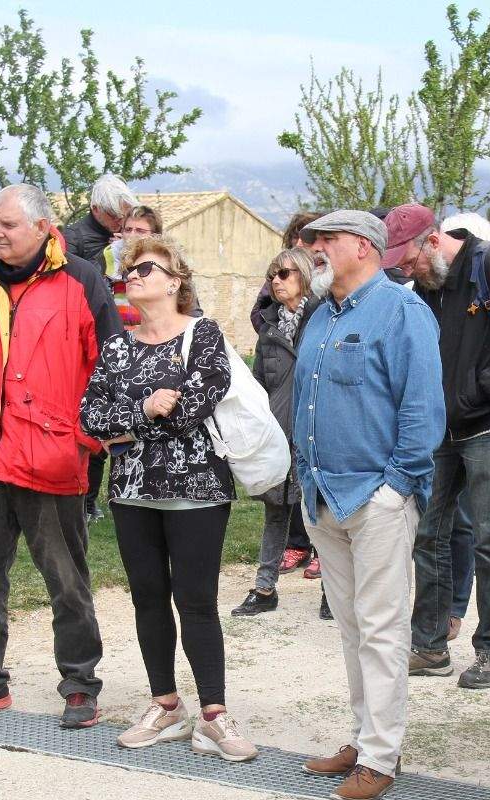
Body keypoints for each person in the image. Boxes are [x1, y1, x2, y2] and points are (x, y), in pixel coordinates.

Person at [0, 184, 119, 729]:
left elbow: (110, 367)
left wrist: (82, 436)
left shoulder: (83, 283)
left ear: (42, 227)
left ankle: (80, 682)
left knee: (66, 578)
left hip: (50, 458)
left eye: (7, 225)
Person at [81, 235, 257, 762]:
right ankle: (166, 704)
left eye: (145, 268)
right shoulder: (115, 346)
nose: (132, 276)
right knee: (148, 597)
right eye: (128, 270)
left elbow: (197, 405)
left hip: (198, 489)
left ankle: (214, 715)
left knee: (197, 601)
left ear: (175, 281)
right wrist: (148, 410)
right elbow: (91, 417)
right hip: (132, 492)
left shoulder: (203, 335)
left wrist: (136, 421)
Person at [294, 210, 445, 800]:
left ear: (363, 246)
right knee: (354, 626)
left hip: (376, 496)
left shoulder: (404, 311)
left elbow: (422, 407)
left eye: (327, 240)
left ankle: (381, 754)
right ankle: (366, 736)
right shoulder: (320, 315)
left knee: (382, 627)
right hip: (323, 493)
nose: (316, 250)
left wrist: (397, 484)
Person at [388, 202, 490, 690]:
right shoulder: (427, 286)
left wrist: (468, 396)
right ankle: (430, 645)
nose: (405, 272)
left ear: (432, 240)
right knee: (426, 535)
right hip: (439, 432)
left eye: (407, 261)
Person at [233, 248, 319, 618]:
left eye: (284, 273)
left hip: (317, 433)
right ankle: (264, 588)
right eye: (273, 275)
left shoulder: (324, 319)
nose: (276, 281)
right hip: (278, 434)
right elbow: (259, 385)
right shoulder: (268, 329)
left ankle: (333, 589)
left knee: (321, 513)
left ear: (303, 275)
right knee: (275, 510)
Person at [86, 201, 164, 521]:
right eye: (127, 229)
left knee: (142, 423)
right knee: (100, 427)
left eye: (140, 230)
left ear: (155, 235)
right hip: (110, 350)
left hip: (148, 352)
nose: (131, 235)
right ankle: (89, 500)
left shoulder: (164, 269)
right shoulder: (104, 263)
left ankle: (140, 489)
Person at [61, 174, 137, 273]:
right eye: (113, 216)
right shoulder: (73, 237)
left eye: (125, 215)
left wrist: (131, 247)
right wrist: (110, 253)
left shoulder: (132, 230)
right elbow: (69, 280)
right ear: (95, 208)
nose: (121, 222)